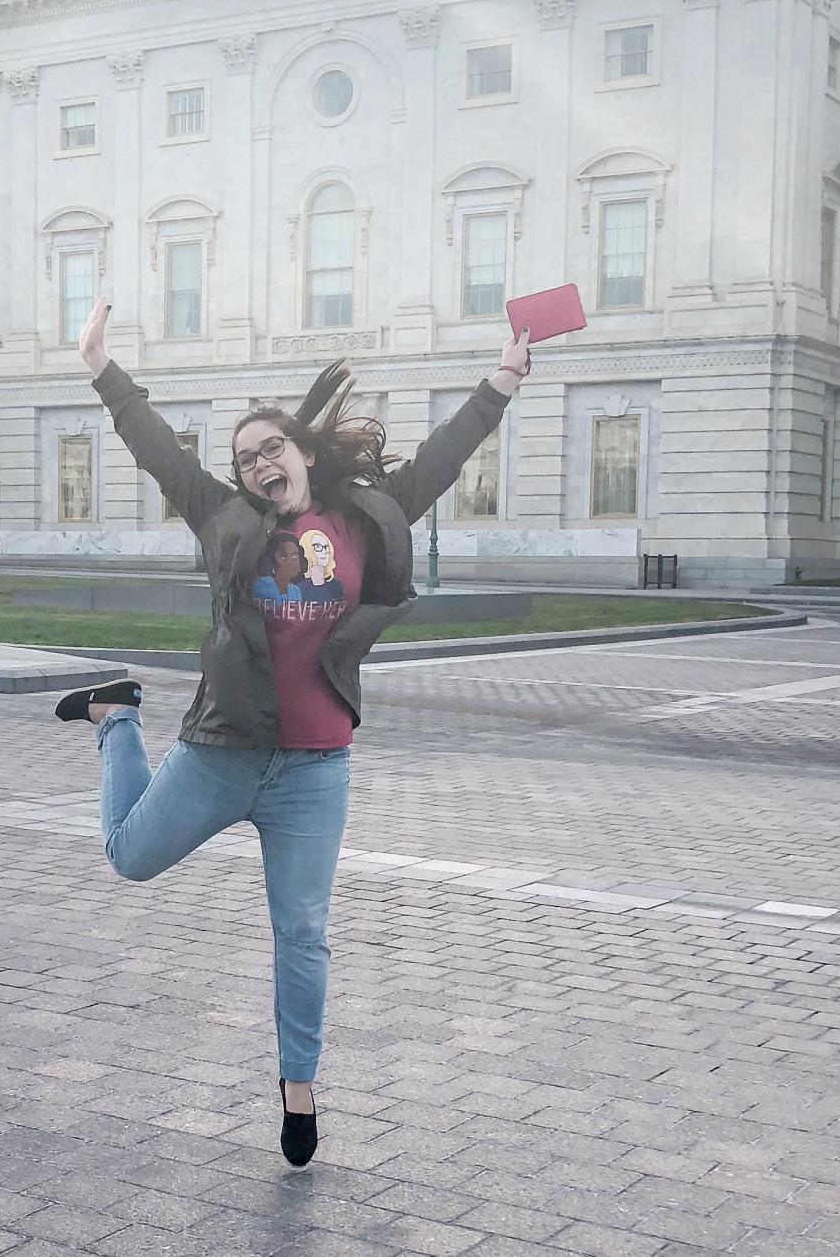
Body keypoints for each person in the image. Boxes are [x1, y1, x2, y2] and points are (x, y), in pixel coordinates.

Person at [54, 297, 530, 1167]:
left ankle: (298, 1088)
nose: (259, 461)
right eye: (245, 458)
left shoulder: (367, 516)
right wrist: (100, 366)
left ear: (303, 453)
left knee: (302, 929)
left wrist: (501, 378)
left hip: (314, 769)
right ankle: (117, 715)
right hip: (221, 752)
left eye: (271, 445)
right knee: (129, 855)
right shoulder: (226, 521)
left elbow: (443, 456)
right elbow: (158, 449)